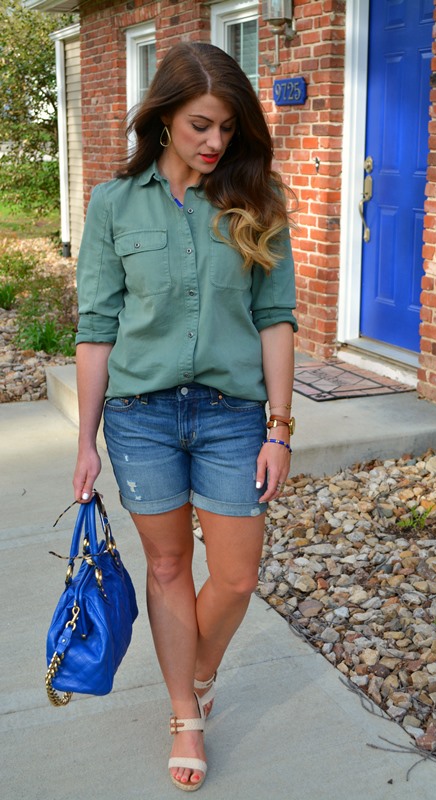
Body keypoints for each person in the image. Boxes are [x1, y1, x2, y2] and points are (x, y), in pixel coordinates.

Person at [72, 41, 297, 792]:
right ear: (163, 117)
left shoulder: (256, 198)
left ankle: (196, 671)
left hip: (233, 415)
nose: (214, 143)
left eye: (227, 129)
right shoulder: (111, 204)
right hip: (139, 416)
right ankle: (184, 714)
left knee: (234, 578)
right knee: (168, 565)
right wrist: (85, 443)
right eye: (201, 124)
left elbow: (276, 318)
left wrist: (279, 428)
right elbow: (97, 326)